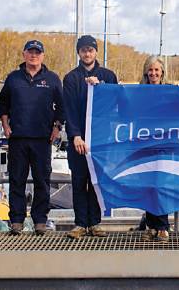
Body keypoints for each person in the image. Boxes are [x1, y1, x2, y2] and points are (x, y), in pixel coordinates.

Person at [0, 40, 64, 236]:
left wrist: (57, 127)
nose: (34, 55)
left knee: (42, 181)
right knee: (17, 180)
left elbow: (61, 106)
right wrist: (5, 124)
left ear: (43, 56)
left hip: (43, 139)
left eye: (37, 52)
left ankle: (40, 220)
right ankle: (17, 220)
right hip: (18, 138)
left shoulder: (52, 79)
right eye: (30, 52)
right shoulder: (13, 78)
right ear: (24, 54)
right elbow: (3, 102)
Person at [63, 35, 118, 239]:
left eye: (91, 50)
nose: (87, 53)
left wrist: (100, 87)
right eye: (84, 50)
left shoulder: (108, 76)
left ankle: (95, 223)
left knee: (96, 182)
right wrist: (75, 135)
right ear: (79, 52)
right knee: (79, 181)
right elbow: (68, 110)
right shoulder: (70, 78)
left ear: (96, 52)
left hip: (100, 140)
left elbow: (115, 105)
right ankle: (80, 223)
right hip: (78, 141)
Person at [139, 55, 171, 242]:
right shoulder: (139, 92)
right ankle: (151, 226)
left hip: (164, 145)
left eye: (156, 70)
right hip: (144, 144)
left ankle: (163, 227)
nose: (153, 73)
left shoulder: (169, 91)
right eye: (150, 70)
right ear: (146, 72)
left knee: (162, 185)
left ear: (162, 72)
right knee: (148, 186)